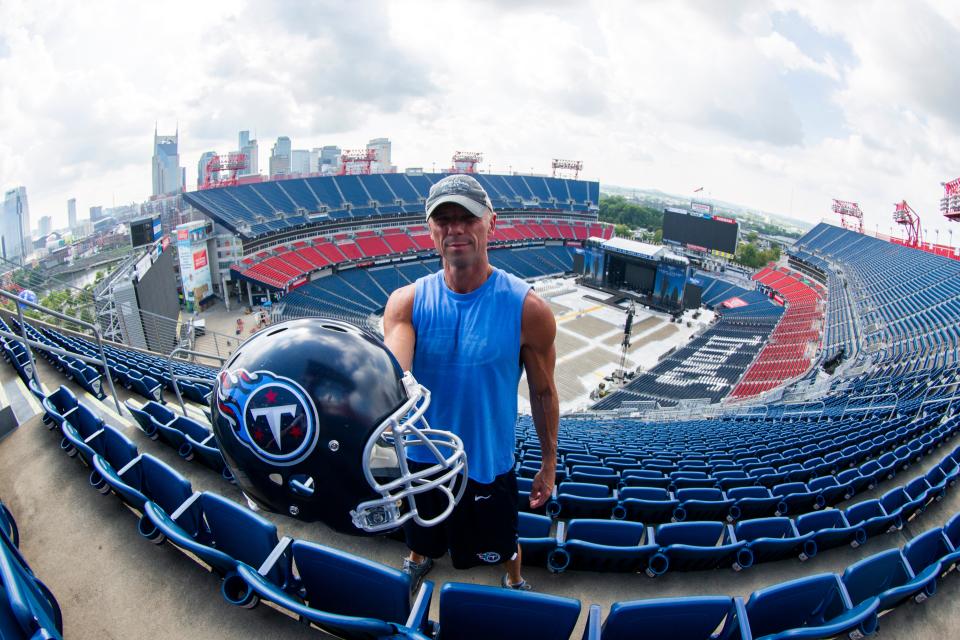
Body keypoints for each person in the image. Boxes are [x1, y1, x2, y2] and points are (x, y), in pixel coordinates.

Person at [383, 174, 559, 591]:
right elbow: (393, 375)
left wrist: (549, 463)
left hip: (487, 461)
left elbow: (544, 392)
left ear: (491, 223)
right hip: (424, 457)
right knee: (420, 529)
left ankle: (513, 579)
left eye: (467, 217)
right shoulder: (406, 303)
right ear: (430, 230)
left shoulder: (527, 309)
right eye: (443, 219)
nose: (455, 228)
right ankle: (418, 557)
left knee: (503, 541)